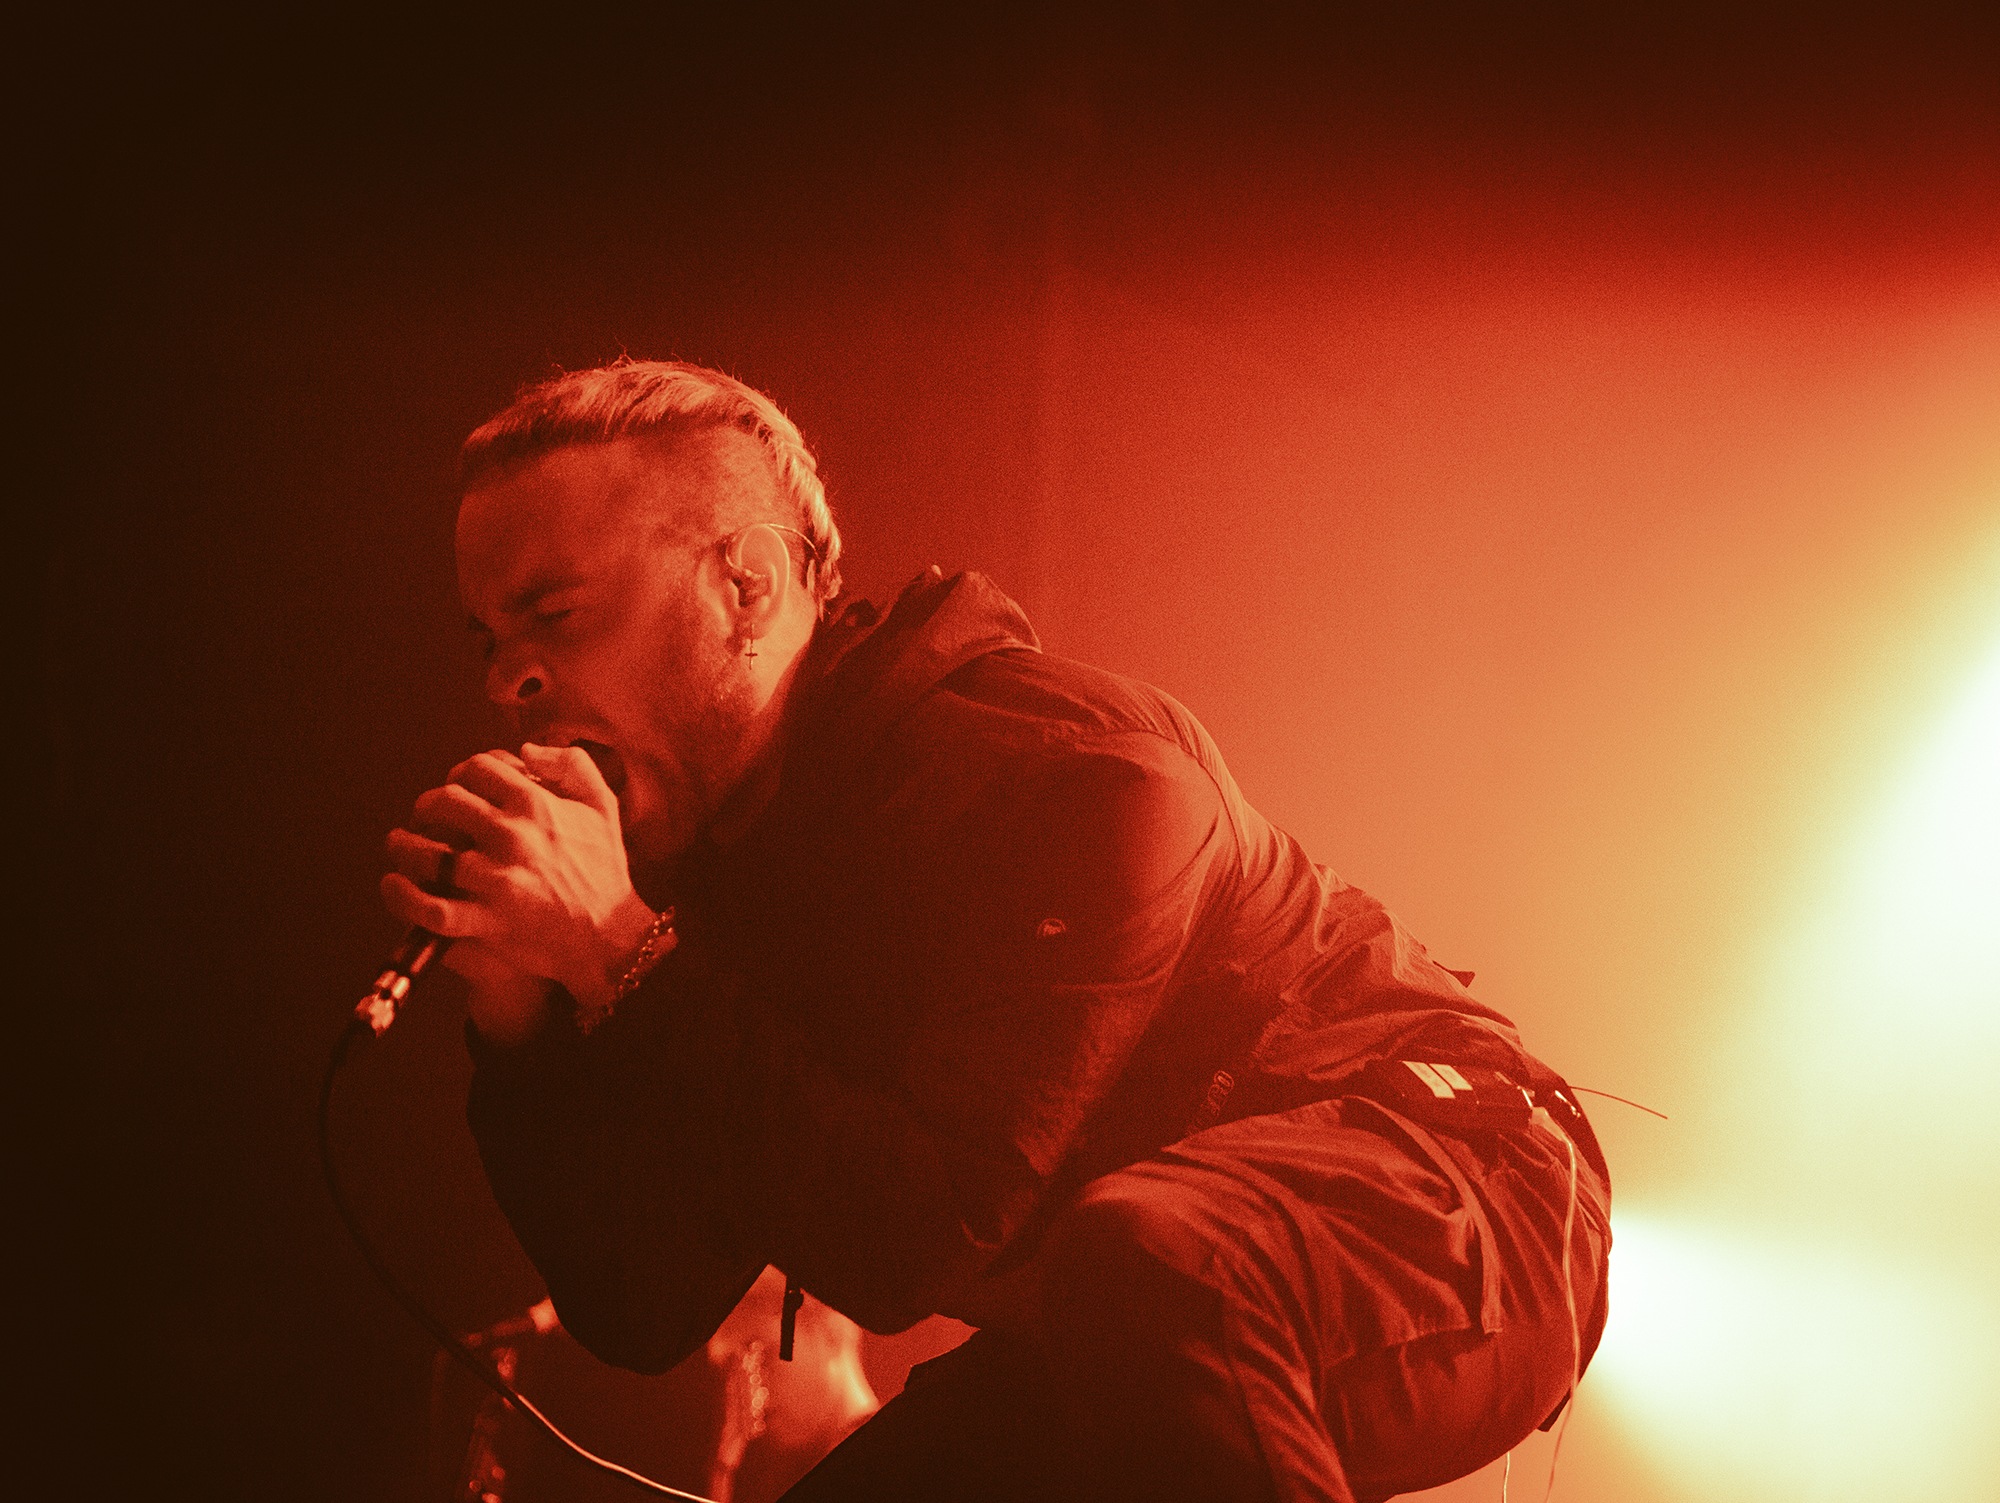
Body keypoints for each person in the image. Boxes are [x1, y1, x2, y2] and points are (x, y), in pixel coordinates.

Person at [381, 358, 1611, 1502]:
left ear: (743, 586)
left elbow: (912, 1239)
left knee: (1149, 1263)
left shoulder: (1058, 777)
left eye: (555, 615)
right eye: (490, 639)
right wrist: (520, 1025)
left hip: (1462, 1188)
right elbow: (641, 1305)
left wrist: (619, 950)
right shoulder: (721, 892)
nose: (507, 682)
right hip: (1123, 1305)